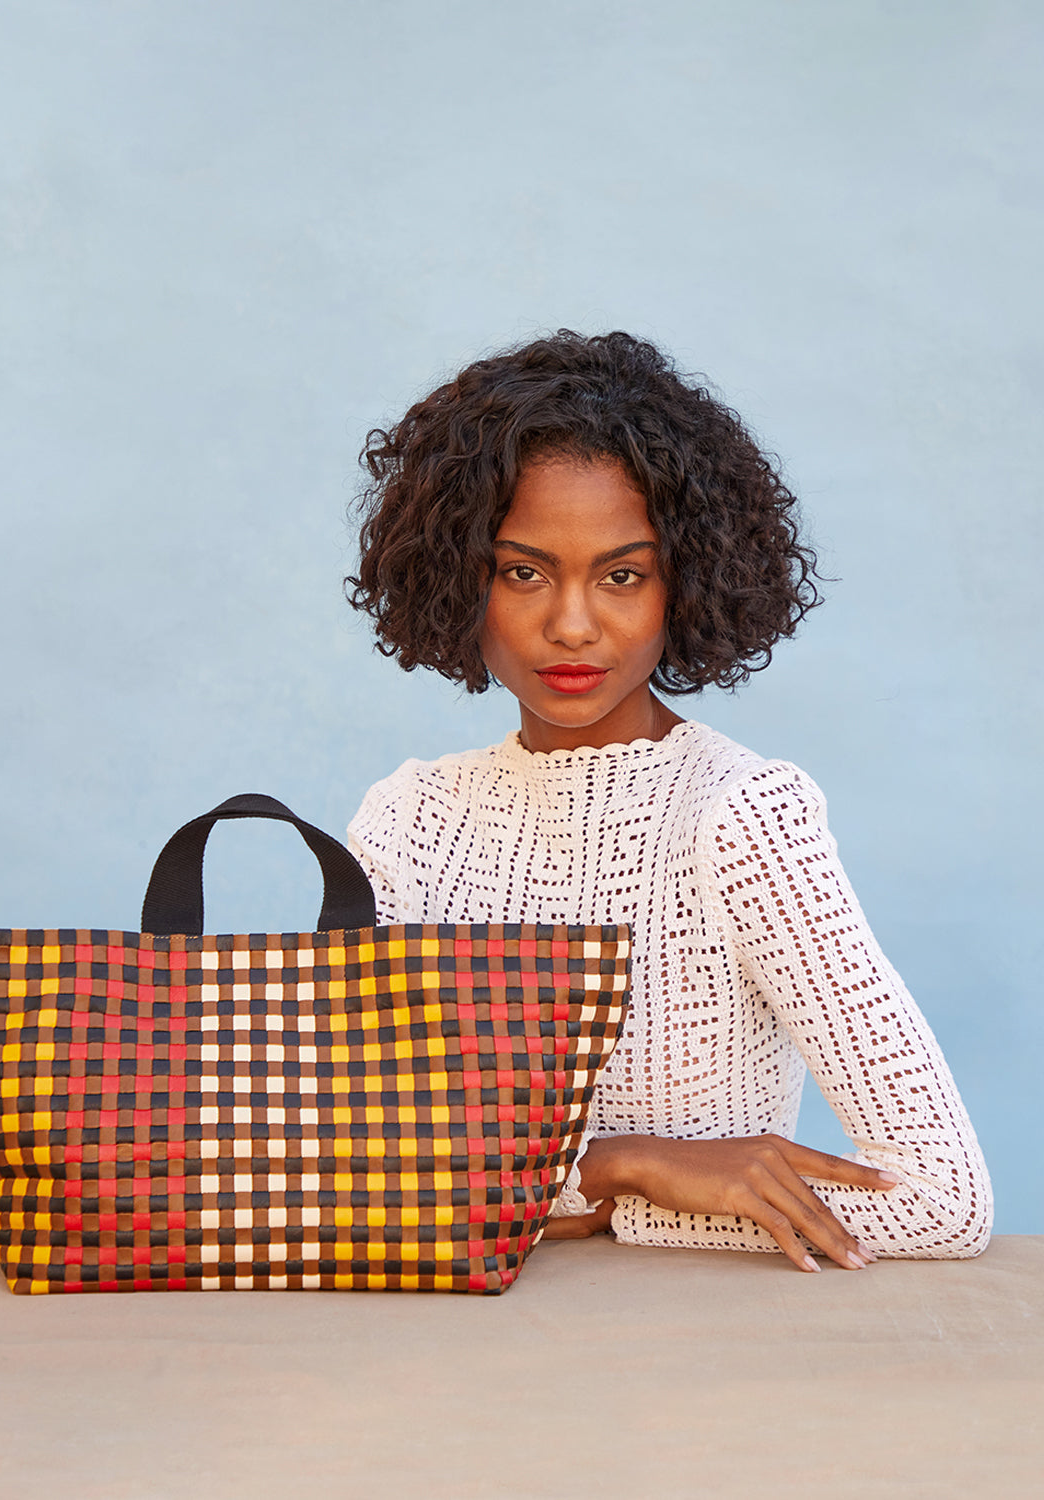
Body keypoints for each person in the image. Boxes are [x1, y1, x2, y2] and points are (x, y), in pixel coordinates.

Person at [345, 329, 993, 1272]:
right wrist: (626, 1168)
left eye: (622, 574)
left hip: (701, 1358)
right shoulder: (408, 822)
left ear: (683, 582)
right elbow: (359, 1173)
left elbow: (943, 1201)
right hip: (450, 1364)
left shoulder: (741, 816)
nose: (571, 623)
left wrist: (584, 1211)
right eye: (523, 571)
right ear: (458, 577)